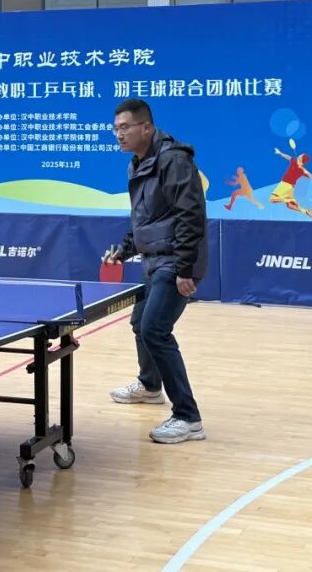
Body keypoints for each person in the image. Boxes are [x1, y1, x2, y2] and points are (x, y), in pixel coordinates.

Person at [103, 98, 208, 445]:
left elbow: (190, 214)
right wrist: (124, 250)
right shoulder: (138, 163)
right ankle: (150, 386)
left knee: (155, 330)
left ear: (146, 128)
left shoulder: (173, 160)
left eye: (124, 128)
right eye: (115, 129)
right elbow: (144, 218)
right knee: (140, 324)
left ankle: (188, 418)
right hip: (154, 259)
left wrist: (185, 268)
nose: (119, 134)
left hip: (175, 261)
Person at [269, 148, 312, 218]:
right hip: (291, 188)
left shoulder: (294, 162)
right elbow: (310, 176)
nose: (299, 155)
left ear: (301, 158)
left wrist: (280, 153)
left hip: (284, 185)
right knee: (290, 205)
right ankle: (305, 211)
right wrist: (303, 169)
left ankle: (289, 199)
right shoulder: (302, 170)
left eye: (300, 155)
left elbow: (287, 157)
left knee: (272, 199)